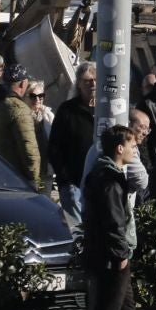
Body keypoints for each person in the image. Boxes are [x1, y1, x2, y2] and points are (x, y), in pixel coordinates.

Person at [81, 125, 156, 310]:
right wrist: (120, 253)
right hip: (110, 254)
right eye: (132, 146)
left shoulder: (107, 174)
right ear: (119, 149)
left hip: (108, 251)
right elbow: (114, 221)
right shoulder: (109, 180)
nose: (135, 149)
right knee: (108, 306)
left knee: (124, 298)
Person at [47, 64, 98, 220]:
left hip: (99, 185)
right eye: (88, 81)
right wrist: (65, 181)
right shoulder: (67, 110)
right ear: (79, 84)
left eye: (96, 80)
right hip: (74, 185)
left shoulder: (106, 110)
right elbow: (54, 147)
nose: (93, 84)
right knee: (77, 233)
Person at [0, 69, 45, 190]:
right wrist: (34, 180)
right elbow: (29, 148)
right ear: (23, 83)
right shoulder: (19, 108)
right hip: (15, 177)